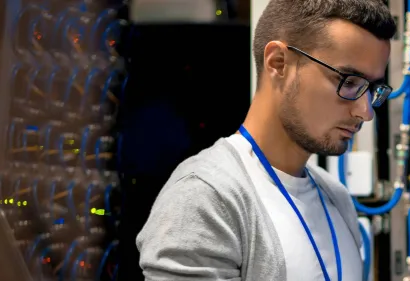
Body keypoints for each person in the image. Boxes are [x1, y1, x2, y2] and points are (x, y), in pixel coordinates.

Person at [135, 0, 396, 280]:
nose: (365, 111)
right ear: (278, 63)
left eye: (372, 89)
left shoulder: (336, 197)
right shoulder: (207, 196)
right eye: (349, 81)